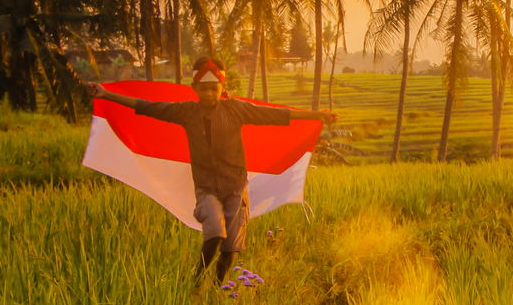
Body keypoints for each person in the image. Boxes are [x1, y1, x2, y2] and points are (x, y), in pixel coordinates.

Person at [86, 59, 335, 285]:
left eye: (213, 88)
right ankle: (197, 280)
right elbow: (148, 107)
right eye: (203, 88)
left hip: (236, 186)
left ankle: (218, 284)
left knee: (230, 246)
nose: (208, 93)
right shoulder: (185, 112)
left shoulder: (236, 110)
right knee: (215, 231)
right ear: (195, 89)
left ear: (221, 88)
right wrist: (107, 95)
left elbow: (275, 115)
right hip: (206, 187)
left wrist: (316, 115)